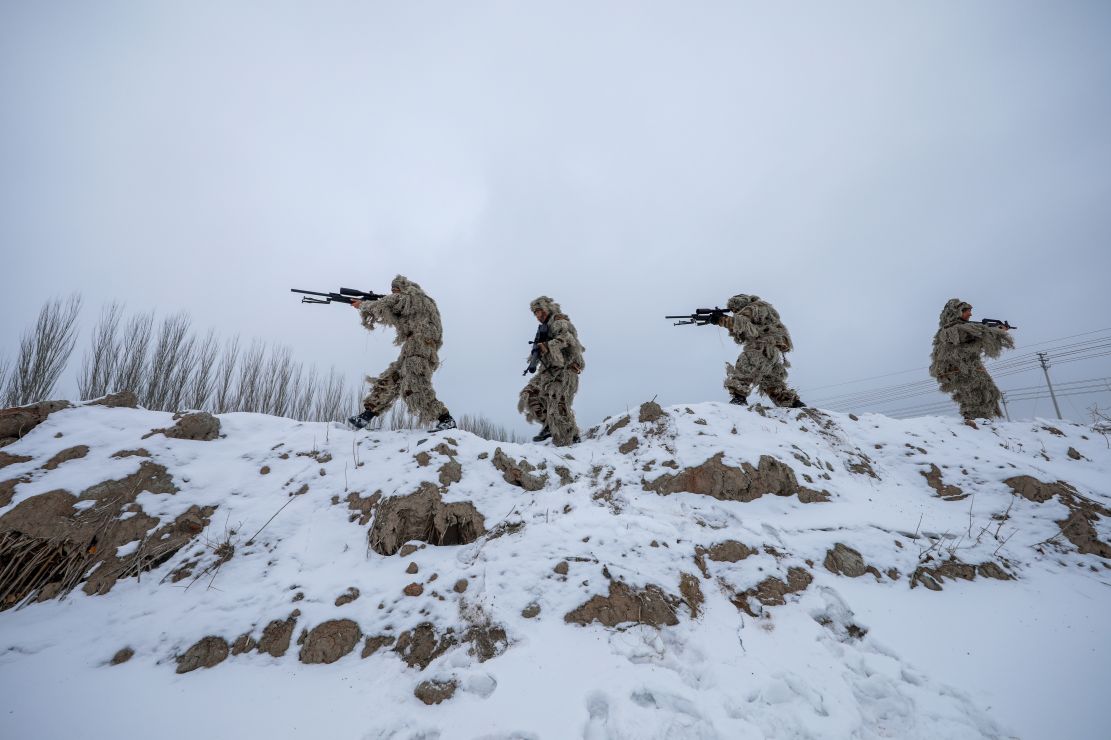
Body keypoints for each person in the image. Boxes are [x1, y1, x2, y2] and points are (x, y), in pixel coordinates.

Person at [347, 275, 456, 432]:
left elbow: (393, 303)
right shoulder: (411, 305)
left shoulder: (416, 298)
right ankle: (366, 416)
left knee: (415, 384)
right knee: (392, 379)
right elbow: (391, 313)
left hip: (421, 347)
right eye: (392, 290)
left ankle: (445, 419)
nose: (393, 293)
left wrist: (364, 305)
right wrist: (368, 305)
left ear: (405, 288)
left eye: (396, 289)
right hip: (412, 347)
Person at [929, 298, 1013, 422]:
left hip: (968, 367)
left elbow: (976, 336)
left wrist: (994, 330)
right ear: (956, 312)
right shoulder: (952, 329)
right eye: (966, 311)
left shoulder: (962, 327)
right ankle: (974, 419)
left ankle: (980, 420)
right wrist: (995, 331)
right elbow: (975, 334)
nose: (970, 314)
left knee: (986, 391)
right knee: (975, 391)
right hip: (960, 369)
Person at [715, 294, 805, 408]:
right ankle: (793, 403)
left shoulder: (753, 308)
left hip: (762, 346)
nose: (735, 312)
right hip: (772, 350)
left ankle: (739, 398)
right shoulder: (762, 309)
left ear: (739, 304)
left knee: (745, 366)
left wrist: (721, 319)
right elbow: (747, 329)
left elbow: (741, 323)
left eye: (735, 309)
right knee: (770, 380)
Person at [518, 296, 585, 445]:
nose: (537, 316)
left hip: (565, 369)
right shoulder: (542, 329)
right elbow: (539, 350)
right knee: (529, 394)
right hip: (548, 371)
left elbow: (567, 339)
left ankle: (571, 435)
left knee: (557, 400)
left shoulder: (559, 321)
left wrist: (548, 346)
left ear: (546, 309)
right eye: (535, 313)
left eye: (539, 311)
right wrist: (535, 356)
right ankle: (548, 424)